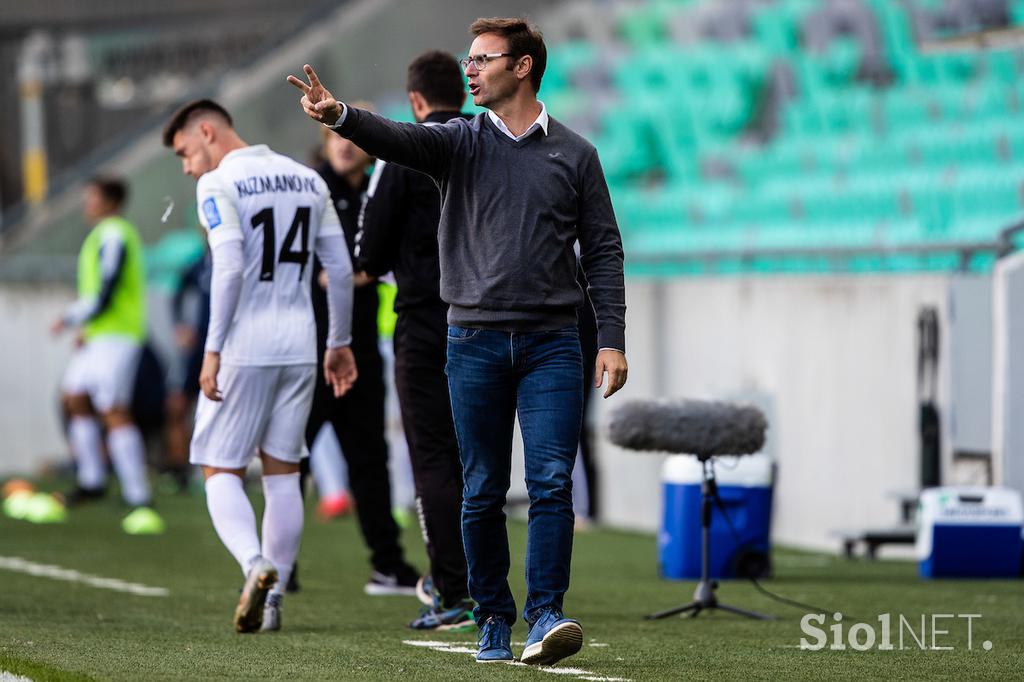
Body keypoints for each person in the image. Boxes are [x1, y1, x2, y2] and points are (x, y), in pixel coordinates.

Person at [289, 16, 628, 665]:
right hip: (470, 340)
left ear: (523, 67)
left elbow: (605, 250)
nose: (468, 69)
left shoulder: (577, 154)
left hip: (555, 341)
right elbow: (392, 137)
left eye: (482, 59)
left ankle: (546, 614)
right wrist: (338, 116)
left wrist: (609, 337)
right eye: (468, 60)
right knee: (480, 489)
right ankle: (494, 618)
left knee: (553, 482)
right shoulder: (457, 140)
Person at [162, 98, 358, 633]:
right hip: (300, 343)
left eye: (185, 152)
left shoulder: (218, 182)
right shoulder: (308, 179)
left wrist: (211, 349)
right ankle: (273, 605)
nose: (186, 166)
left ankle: (256, 564)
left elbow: (227, 267)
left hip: (244, 346)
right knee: (283, 473)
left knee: (219, 470)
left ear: (206, 131)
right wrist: (338, 342)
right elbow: (340, 269)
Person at [355, 50, 474, 631]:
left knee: (431, 456)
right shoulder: (488, 143)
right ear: (467, 93)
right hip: (489, 320)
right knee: (479, 458)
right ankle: (490, 586)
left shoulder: (398, 152)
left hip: (425, 320)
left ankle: (454, 589)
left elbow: (370, 251)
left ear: (416, 102)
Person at [304, 120, 420, 595]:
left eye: (352, 138)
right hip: (310, 349)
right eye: (335, 137)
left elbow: (387, 259)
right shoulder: (311, 191)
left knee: (370, 459)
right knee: (291, 455)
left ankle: (388, 565)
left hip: (362, 348)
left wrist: (357, 276)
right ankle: (275, 567)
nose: (344, 147)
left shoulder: (382, 191)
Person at [53, 176, 164, 535]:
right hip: (99, 336)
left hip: (118, 336)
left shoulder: (115, 232)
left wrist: (71, 318)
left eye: (92, 198)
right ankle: (92, 481)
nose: (87, 204)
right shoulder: (102, 233)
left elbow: (107, 286)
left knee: (113, 409)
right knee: (74, 398)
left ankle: (138, 494)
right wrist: (86, 329)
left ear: (110, 201)